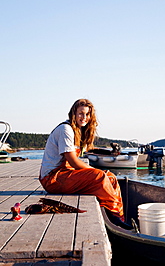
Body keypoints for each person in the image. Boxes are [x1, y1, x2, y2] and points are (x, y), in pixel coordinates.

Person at [39, 98, 129, 228]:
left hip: (65, 174)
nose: (84, 117)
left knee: (111, 178)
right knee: (100, 176)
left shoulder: (78, 131)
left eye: (87, 114)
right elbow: (73, 161)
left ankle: (118, 217)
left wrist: (108, 153)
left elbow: (88, 150)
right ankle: (113, 218)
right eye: (80, 113)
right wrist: (96, 171)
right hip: (52, 178)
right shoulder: (66, 129)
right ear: (73, 113)